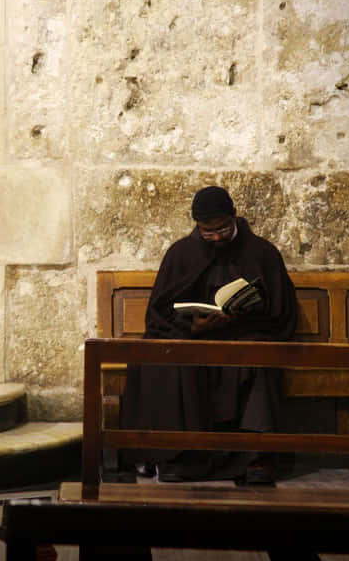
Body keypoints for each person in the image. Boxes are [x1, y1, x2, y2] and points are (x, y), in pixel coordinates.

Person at [121, 185, 298, 484]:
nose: (216, 237)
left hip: (244, 337)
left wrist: (242, 317)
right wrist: (193, 327)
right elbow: (157, 315)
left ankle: (256, 457)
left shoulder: (262, 253)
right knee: (160, 355)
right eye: (207, 232)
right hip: (192, 337)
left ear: (234, 217)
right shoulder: (181, 253)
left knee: (260, 355)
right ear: (196, 225)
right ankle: (179, 454)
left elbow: (282, 314)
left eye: (223, 229)